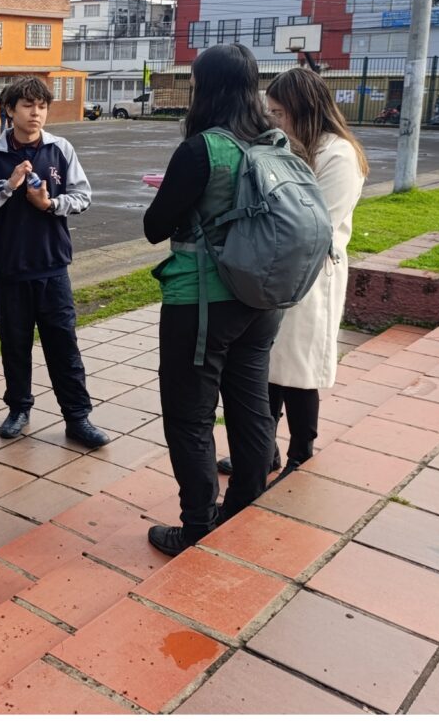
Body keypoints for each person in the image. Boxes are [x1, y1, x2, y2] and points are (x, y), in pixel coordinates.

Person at [144, 43, 305, 555]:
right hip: (263, 298)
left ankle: (197, 526)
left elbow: (154, 227)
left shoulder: (203, 149)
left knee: (190, 415)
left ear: (204, 87)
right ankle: (241, 508)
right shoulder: (277, 141)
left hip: (203, 302)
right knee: (251, 405)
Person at [0, 76, 106, 451]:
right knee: (14, 345)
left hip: (52, 267)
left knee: (64, 345)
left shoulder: (61, 149)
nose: (36, 113)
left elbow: (83, 195)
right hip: (10, 268)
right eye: (28, 106)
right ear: (10, 111)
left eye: (42, 106)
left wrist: (51, 205)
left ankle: (77, 417)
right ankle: (18, 409)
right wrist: (8, 186)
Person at [261, 64, 365, 475]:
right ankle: (262, 450)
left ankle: (300, 452)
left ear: (304, 110)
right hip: (277, 270)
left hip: (312, 274)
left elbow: (315, 222)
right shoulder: (292, 145)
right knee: (268, 364)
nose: (274, 121)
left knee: (299, 369)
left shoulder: (337, 154)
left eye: (280, 113)